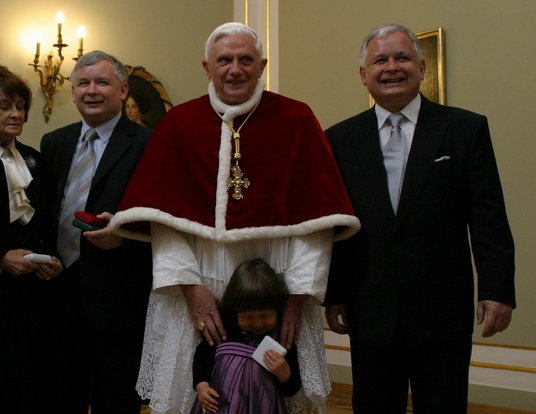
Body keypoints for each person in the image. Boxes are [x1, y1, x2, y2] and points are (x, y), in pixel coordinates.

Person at [109, 22, 359, 414]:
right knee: (194, 391)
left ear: (262, 66)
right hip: (200, 275)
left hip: (279, 280)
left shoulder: (296, 119)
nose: (235, 69)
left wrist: (295, 296)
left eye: (246, 60)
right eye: (224, 60)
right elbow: (164, 221)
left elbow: (318, 222)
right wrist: (190, 289)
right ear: (207, 67)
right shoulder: (179, 125)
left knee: (281, 392)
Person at [324, 24, 515, 413]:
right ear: (364, 74)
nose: (391, 67)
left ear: (422, 68)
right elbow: (336, 223)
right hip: (370, 307)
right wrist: (336, 292)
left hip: (442, 310)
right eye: (380, 60)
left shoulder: (465, 129)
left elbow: (488, 215)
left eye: (402, 57)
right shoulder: (339, 138)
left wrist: (497, 289)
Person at [38, 50, 153, 413]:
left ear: (122, 90)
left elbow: (163, 216)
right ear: (72, 92)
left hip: (119, 296)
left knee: (115, 400)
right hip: (57, 292)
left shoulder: (148, 144)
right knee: (58, 393)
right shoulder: (53, 142)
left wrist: (125, 233)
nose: (92, 91)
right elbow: (43, 211)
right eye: (83, 83)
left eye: (102, 82)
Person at [0, 65, 62, 412]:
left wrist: (50, 259)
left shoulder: (35, 158)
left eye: (19, 105)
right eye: (4, 106)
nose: (16, 114)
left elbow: (48, 219)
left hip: (35, 296)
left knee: (32, 386)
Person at [191, 258, 301, 414]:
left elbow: (291, 390)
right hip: (221, 406)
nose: (257, 324)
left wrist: (285, 374)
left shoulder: (282, 340)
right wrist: (201, 386)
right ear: (235, 312)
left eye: (265, 315)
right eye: (248, 317)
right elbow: (202, 358)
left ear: (278, 310)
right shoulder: (223, 333)